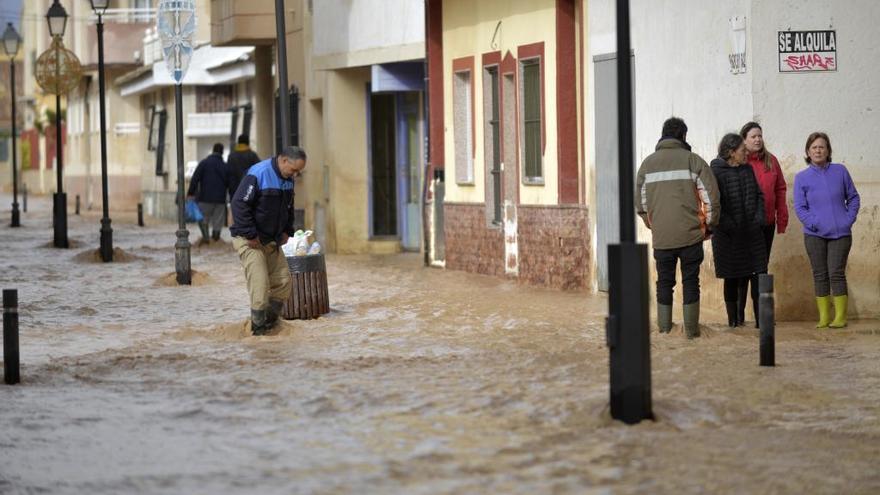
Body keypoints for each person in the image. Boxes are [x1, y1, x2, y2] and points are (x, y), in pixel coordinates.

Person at [636, 117, 720, 339]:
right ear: (683, 136)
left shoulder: (647, 164)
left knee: (664, 282)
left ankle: (664, 330)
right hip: (691, 236)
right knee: (691, 281)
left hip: (662, 238)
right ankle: (691, 333)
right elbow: (711, 198)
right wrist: (709, 226)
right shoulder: (693, 161)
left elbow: (641, 204)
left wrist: (654, 225)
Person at [230, 146, 307, 336]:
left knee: (283, 283)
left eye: (299, 171)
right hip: (250, 240)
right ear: (283, 160)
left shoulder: (287, 180)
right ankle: (258, 335)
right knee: (260, 285)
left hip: (271, 240)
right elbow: (239, 203)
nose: (296, 175)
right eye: (294, 170)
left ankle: (269, 326)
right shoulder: (259, 173)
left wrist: (286, 231)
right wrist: (251, 234)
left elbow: (288, 207)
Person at [793, 132, 860, 328]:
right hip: (814, 234)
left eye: (822, 147)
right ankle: (824, 317)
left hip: (841, 233)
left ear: (828, 150)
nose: (818, 150)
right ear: (808, 152)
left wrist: (847, 219)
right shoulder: (801, 178)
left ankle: (840, 317)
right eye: (814, 147)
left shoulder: (840, 171)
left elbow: (854, 198)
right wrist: (814, 223)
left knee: (836, 273)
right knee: (820, 274)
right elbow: (800, 207)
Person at [710, 133, 768, 328]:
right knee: (732, 277)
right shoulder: (715, 172)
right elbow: (714, 204)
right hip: (728, 236)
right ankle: (733, 322)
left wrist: (759, 219)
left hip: (752, 233)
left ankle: (763, 322)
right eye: (743, 150)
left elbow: (759, 195)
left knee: (759, 274)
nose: (746, 152)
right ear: (731, 152)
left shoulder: (747, 169)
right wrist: (729, 226)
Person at [739, 121, 788, 326]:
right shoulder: (739, 162)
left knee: (760, 269)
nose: (758, 139)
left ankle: (762, 319)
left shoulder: (771, 160)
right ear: (744, 140)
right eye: (753, 136)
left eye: (760, 135)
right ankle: (738, 319)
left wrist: (781, 219)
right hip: (744, 226)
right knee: (742, 270)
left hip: (766, 223)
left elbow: (780, 189)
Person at [187, 143, 233, 243]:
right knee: (218, 221)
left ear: (213, 150)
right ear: (221, 152)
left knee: (203, 219)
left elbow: (195, 178)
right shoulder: (225, 166)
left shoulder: (204, 163)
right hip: (220, 200)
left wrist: (190, 193)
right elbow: (231, 184)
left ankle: (206, 238)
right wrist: (232, 198)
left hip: (205, 198)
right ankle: (216, 240)